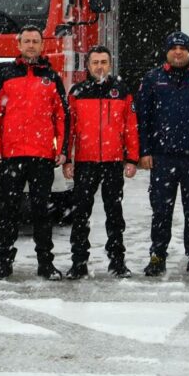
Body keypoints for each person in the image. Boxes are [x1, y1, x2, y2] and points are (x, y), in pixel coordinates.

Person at [134, 31, 189, 276]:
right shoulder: (153, 79)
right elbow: (143, 118)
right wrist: (145, 151)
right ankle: (158, 255)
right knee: (161, 209)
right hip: (163, 156)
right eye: (173, 48)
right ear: (167, 51)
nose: (178, 52)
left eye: (182, 48)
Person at [0, 25, 70, 281]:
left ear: (42, 46)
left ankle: (45, 264)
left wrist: (62, 149)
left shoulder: (52, 77)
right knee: (9, 212)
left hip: (42, 156)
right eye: (27, 41)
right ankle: (4, 263)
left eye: (35, 41)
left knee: (41, 213)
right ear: (19, 45)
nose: (31, 45)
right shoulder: (6, 75)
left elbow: (62, 116)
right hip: (11, 156)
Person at [65, 45, 139, 279]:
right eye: (95, 62)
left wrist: (132, 158)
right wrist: (68, 159)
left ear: (110, 64)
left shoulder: (122, 91)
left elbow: (131, 127)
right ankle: (79, 262)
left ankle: (117, 261)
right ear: (87, 66)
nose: (99, 66)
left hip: (113, 161)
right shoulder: (77, 92)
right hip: (85, 163)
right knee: (80, 215)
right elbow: (70, 130)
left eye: (103, 62)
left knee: (114, 214)